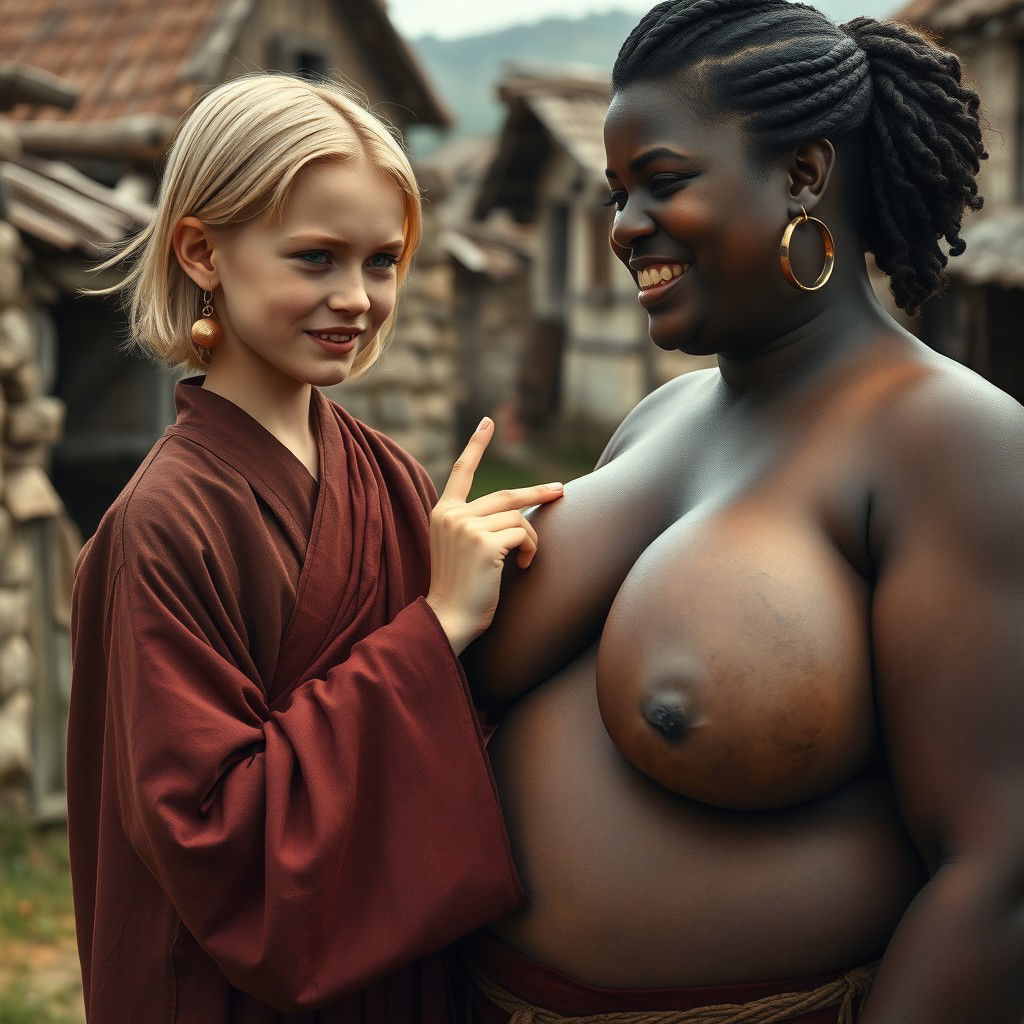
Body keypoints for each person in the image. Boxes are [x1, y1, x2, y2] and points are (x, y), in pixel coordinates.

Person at [462, 2, 1024, 1022]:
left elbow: (997, 876)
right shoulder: (659, 418)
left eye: (664, 181)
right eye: (618, 192)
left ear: (803, 174)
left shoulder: (951, 444)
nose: (624, 226)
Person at [67, 73, 566, 1023]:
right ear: (203, 251)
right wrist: (434, 631)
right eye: (315, 258)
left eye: (382, 262)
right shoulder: (161, 527)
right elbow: (217, 845)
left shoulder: (390, 478)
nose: (356, 298)